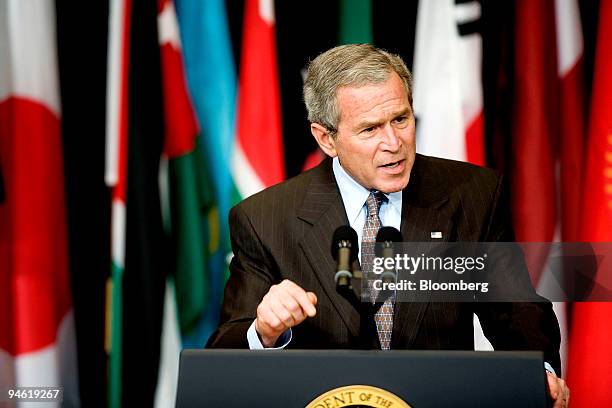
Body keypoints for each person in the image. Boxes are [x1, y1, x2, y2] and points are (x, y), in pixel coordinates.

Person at [207, 44, 569, 407]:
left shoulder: (472, 194)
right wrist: (264, 332)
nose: (394, 144)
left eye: (400, 119)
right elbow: (222, 357)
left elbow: (515, 309)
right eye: (369, 129)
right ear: (326, 138)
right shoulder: (265, 219)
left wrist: (539, 374)